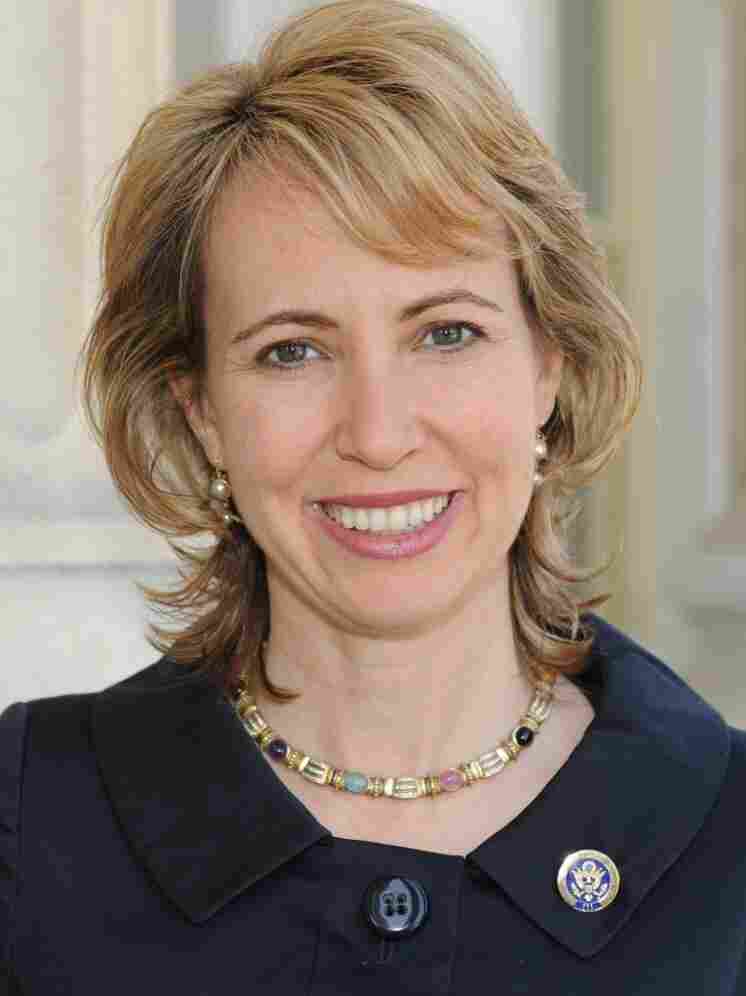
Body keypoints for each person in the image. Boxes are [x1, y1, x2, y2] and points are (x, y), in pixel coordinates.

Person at [1, 0, 744, 991]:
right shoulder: (30, 825)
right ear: (202, 410)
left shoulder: (725, 846)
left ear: (549, 364)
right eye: (292, 351)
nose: (379, 434)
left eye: (445, 333)